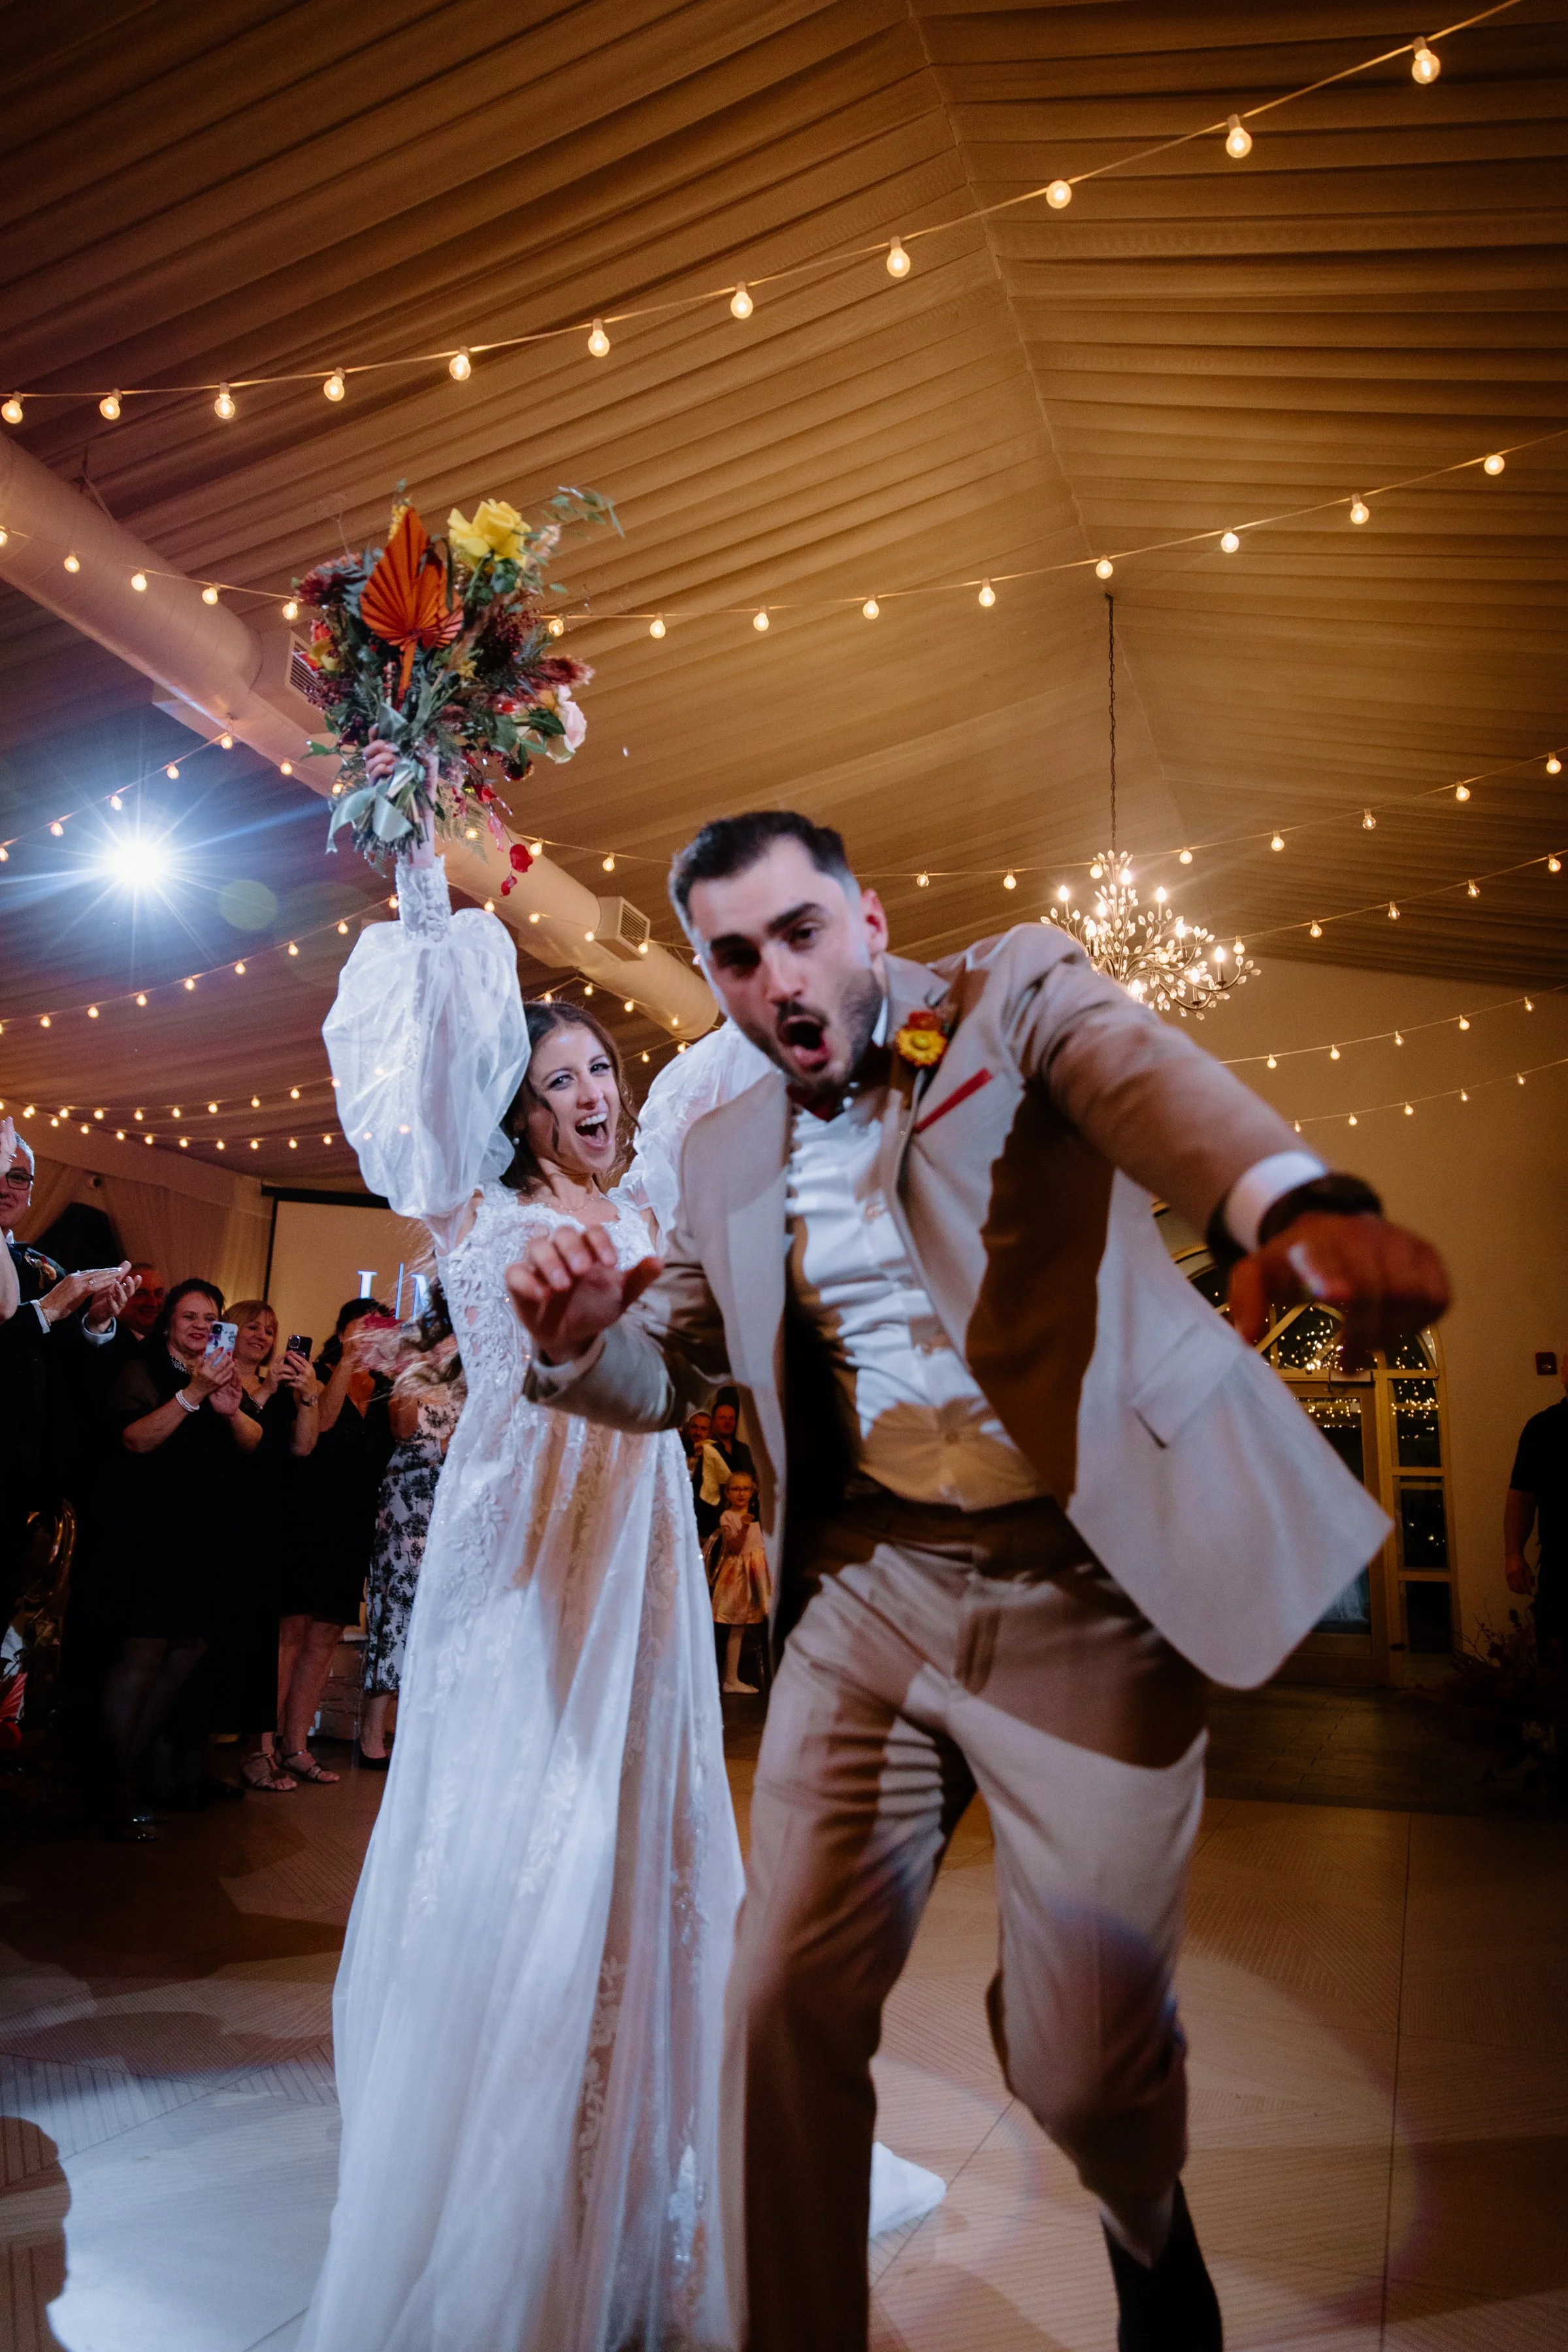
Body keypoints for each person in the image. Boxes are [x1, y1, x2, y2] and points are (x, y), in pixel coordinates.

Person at [510, 807, 1451, 2352]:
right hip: (867, 1585)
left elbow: (1142, 1074)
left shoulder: (1010, 994)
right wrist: (569, 1350)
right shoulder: (722, 1149)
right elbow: (666, 1366)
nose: (775, 979)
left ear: (868, 921)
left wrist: (1290, 1202)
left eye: (800, 931)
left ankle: (1147, 2228)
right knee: (778, 2005)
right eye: (734, 958)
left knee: (1084, 2066)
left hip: (1077, 1578)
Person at [299, 784, 939, 2352]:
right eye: (562, 1080)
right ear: (520, 1110)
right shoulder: (474, 1208)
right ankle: (505, 2186)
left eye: (600, 1070)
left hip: (637, 1546)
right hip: (520, 1549)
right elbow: (434, 1043)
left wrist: (797, 953)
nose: (591, 1090)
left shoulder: (649, 1195)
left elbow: (734, 1059)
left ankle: (637, 2157)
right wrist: (423, 852)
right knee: (525, 1825)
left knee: (643, 1830)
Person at [97, 1277, 262, 1840]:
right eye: (189, 1316)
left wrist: (229, 1410)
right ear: (170, 1320)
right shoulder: (142, 1371)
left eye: (210, 1318)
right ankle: (107, 1797)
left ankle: (128, 1780)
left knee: (184, 1656)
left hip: (203, 1545)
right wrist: (192, 1394)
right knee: (142, 1660)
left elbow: (253, 1443)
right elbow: (135, 1440)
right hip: (147, 1541)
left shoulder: (220, 1373)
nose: (200, 1325)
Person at [274, 1301, 393, 1786]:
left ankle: (296, 1746)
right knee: (291, 1634)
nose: (372, 1337)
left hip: (354, 1526)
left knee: (324, 1637)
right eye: (364, 1329)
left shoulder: (385, 1389)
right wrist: (347, 1360)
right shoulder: (314, 1374)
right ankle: (263, 1745)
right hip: (306, 1518)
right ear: (342, 1331)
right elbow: (321, 1425)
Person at [357, 1288, 465, 1768]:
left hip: (450, 1513)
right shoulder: (408, 1380)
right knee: (397, 1613)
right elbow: (402, 1431)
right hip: (406, 1515)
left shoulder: (465, 1389)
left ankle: (418, 1730)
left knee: (439, 1621)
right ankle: (371, 1731)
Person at [227, 1300, 322, 1792]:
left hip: (270, 1522)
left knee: (263, 1640)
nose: (263, 1336)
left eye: (270, 1329)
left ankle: (258, 1749)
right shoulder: (215, 1379)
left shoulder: (283, 1390)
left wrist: (307, 1397)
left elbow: (303, 1446)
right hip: (223, 1520)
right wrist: (263, 1390)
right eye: (253, 1326)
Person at [1505, 1350, 1568, 1659]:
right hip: (1561, 1568)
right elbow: (1522, 1495)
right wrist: (1514, 1553)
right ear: (1564, 1373)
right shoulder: (1543, 1429)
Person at [706, 1469, 771, 1693]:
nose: (741, 1493)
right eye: (736, 1489)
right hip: (740, 1573)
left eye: (746, 1489)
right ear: (728, 1493)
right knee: (738, 1623)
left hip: (758, 1571)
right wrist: (743, 1526)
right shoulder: (728, 1516)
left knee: (752, 1621)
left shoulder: (758, 1513)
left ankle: (733, 1675)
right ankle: (731, 1679)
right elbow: (735, 1547)